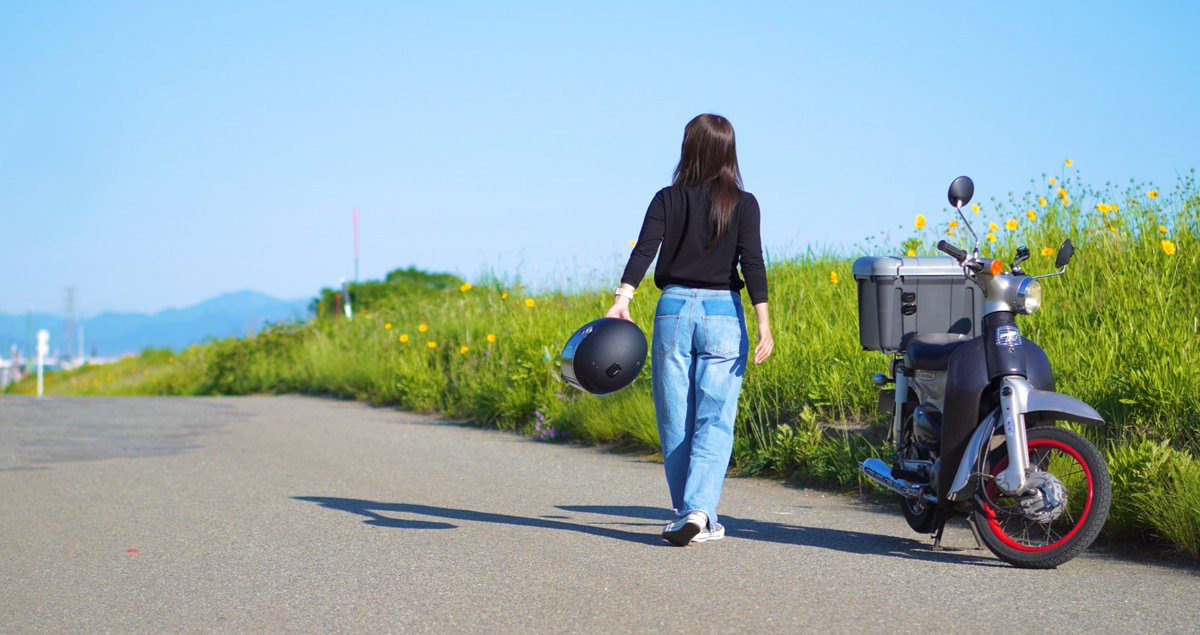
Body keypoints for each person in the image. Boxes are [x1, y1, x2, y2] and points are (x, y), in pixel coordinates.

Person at [605, 113, 773, 546]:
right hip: (723, 313)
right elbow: (752, 263)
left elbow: (644, 249)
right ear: (728, 152)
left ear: (689, 148)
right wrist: (763, 323)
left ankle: (688, 511)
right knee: (715, 418)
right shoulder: (744, 203)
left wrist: (623, 299)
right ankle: (699, 511)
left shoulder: (666, 198)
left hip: (673, 310)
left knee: (675, 416)